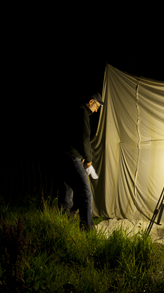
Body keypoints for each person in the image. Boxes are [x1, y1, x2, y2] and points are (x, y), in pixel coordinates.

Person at [58, 92, 104, 231]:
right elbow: (84, 138)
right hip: (72, 156)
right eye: (97, 106)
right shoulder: (82, 113)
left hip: (65, 154)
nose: (96, 110)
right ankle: (87, 228)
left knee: (67, 190)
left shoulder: (75, 111)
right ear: (91, 102)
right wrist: (88, 159)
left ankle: (64, 224)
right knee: (85, 193)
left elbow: (74, 136)